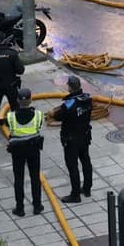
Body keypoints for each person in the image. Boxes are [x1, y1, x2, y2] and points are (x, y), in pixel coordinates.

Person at [50, 75, 93, 203]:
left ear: (69, 87)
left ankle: (75, 194)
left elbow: (57, 116)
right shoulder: (88, 99)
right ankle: (87, 188)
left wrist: (52, 113)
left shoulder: (69, 104)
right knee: (86, 162)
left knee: (72, 166)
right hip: (84, 136)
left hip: (71, 140)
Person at [6, 86, 45, 216]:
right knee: (35, 177)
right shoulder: (38, 115)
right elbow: (38, 126)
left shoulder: (11, 117)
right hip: (33, 149)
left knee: (19, 179)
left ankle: (20, 208)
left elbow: (8, 127)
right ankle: (37, 206)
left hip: (17, 151)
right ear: (31, 99)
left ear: (17, 100)